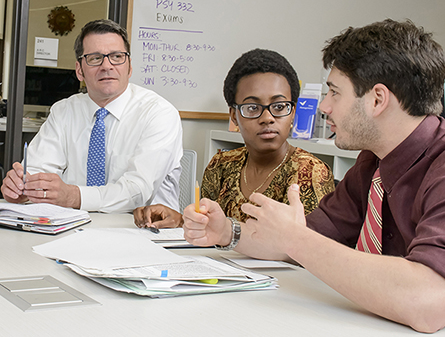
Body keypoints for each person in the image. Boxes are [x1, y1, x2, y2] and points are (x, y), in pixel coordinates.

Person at [183, 20, 445, 333]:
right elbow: (308, 238)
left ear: (377, 99)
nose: (324, 107)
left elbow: (429, 302)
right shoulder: (371, 163)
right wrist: (227, 232)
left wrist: (295, 238)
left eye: (334, 92)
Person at [134, 48, 334, 228]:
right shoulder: (221, 165)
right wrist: (180, 220)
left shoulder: (310, 173)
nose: (267, 118)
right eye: (252, 108)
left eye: (279, 107)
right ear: (233, 116)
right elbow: (208, 226)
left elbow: (309, 248)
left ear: (293, 112)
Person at [1, 19, 183, 213]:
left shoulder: (158, 113)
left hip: (142, 230)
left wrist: (73, 196)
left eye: (117, 56)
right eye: (95, 58)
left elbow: (138, 192)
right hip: (72, 227)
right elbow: (37, 171)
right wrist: (24, 186)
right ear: (79, 71)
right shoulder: (63, 111)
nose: (107, 66)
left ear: (129, 67)